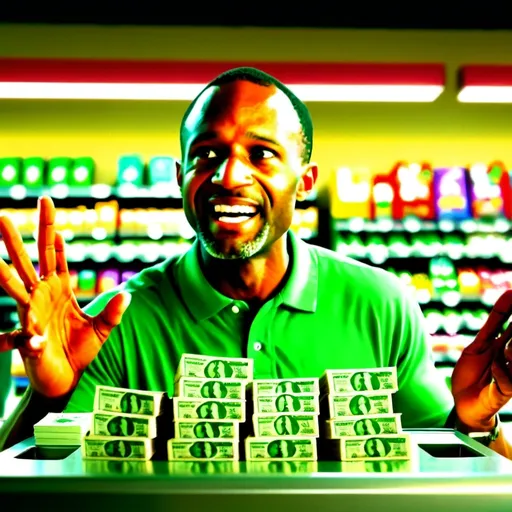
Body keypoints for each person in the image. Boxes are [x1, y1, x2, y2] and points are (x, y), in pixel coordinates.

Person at [0, 66, 512, 458]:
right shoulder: (118, 319)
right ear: (180, 177)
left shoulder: (382, 303)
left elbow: (444, 469)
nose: (228, 176)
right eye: (205, 155)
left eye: (262, 153)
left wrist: (476, 424)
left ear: (304, 181)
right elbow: (31, 484)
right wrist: (49, 396)